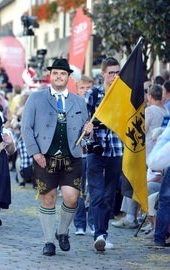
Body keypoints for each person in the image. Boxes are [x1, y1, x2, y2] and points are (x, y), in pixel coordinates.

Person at [21, 58, 92, 256]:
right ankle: (49, 241)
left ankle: (62, 232)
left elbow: (85, 133)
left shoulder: (79, 100)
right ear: (50, 76)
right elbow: (26, 128)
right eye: (55, 73)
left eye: (63, 74)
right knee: (48, 198)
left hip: (72, 157)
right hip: (45, 156)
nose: (59, 76)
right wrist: (35, 152)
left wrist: (88, 131)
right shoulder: (36, 98)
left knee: (71, 199)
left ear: (68, 77)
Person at [84, 57, 125, 251]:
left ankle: (102, 232)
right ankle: (99, 234)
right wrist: (89, 128)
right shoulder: (93, 94)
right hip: (96, 150)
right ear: (103, 74)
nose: (114, 76)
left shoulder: (124, 95)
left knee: (109, 196)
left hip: (116, 150)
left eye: (117, 72)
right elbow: (83, 121)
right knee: (97, 193)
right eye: (111, 73)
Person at [73, 75, 94, 236]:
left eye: (88, 88)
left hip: (92, 153)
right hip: (77, 154)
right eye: (82, 88)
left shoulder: (95, 108)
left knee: (93, 189)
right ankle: (80, 224)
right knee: (78, 189)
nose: (85, 91)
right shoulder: (73, 106)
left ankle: (93, 222)